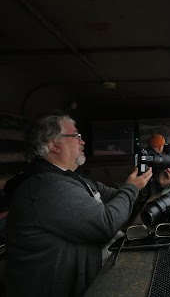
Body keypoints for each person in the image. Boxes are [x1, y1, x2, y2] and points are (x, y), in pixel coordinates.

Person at [4, 113, 153, 297]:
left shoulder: (74, 178)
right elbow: (106, 224)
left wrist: (149, 185)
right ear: (53, 144)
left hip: (88, 273)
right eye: (76, 136)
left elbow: (119, 198)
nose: (83, 142)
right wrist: (132, 187)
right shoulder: (46, 186)